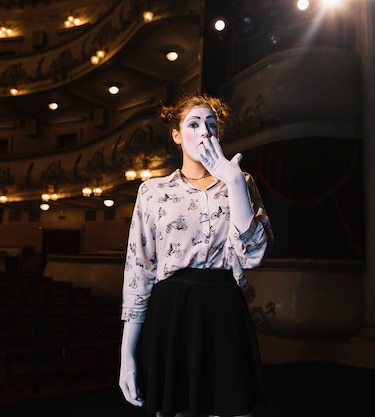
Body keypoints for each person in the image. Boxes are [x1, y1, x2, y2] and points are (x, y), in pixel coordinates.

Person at [119, 91, 273, 417]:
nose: (204, 131)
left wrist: (232, 181)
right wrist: (126, 356)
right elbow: (138, 270)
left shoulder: (240, 182)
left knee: (230, 407)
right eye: (193, 123)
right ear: (176, 135)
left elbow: (253, 254)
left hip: (224, 309)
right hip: (171, 311)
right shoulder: (153, 191)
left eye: (211, 124)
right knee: (174, 408)